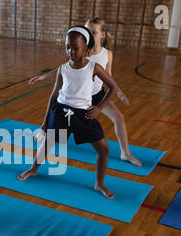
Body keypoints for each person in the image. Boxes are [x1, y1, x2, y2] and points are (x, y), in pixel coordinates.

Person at [18, 26, 119, 199]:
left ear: (86, 48)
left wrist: (100, 108)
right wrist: (44, 122)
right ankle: (34, 168)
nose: (70, 51)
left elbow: (113, 87)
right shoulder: (62, 69)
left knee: (104, 149)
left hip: (83, 115)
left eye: (75, 48)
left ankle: (99, 183)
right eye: (67, 47)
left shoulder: (94, 67)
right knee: (48, 142)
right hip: (60, 112)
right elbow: (53, 96)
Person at [30, 17, 141, 167]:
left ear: (102, 35)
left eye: (93, 32)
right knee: (57, 109)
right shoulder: (82, 52)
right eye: (88, 31)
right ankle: (44, 131)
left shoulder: (107, 54)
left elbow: (109, 77)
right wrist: (44, 76)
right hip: (80, 95)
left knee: (119, 118)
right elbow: (64, 68)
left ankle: (125, 153)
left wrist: (120, 94)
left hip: (97, 95)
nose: (90, 34)